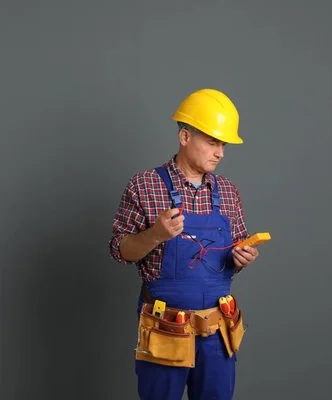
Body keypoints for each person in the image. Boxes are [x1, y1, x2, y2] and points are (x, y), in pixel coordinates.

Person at [108, 88, 259, 400]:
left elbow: (231, 257)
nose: (220, 152)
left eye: (223, 144)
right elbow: (120, 250)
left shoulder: (228, 192)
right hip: (165, 327)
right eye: (213, 142)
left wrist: (242, 257)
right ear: (185, 137)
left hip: (218, 330)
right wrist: (156, 235)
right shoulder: (144, 185)